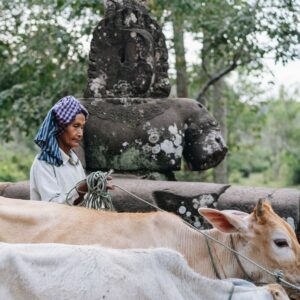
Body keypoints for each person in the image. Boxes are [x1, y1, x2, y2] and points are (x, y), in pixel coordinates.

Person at [30, 95, 112, 205]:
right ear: (60, 127)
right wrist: (81, 189)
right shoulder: (44, 162)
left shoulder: (74, 160)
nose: (80, 134)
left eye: (82, 127)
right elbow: (52, 206)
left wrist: (95, 189)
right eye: (76, 126)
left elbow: (81, 201)